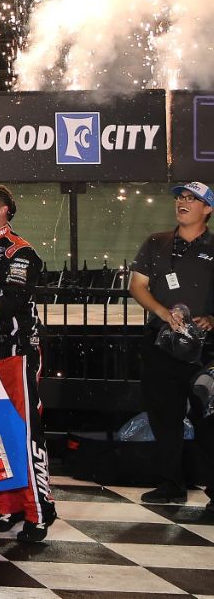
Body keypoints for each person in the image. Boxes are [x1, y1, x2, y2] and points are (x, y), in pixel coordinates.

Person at [0, 184, 56, 541]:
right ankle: (4, 505)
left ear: (4, 210)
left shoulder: (21, 252)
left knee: (24, 431)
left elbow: (10, 302)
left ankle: (39, 510)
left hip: (16, 351)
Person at [129, 181, 214, 509]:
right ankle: (170, 485)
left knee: (209, 419)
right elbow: (137, 286)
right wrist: (162, 312)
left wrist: (212, 319)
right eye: (180, 197)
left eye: (192, 199)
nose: (183, 202)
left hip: (205, 350)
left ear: (207, 209)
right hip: (161, 346)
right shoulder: (156, 243)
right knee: (164, 418)